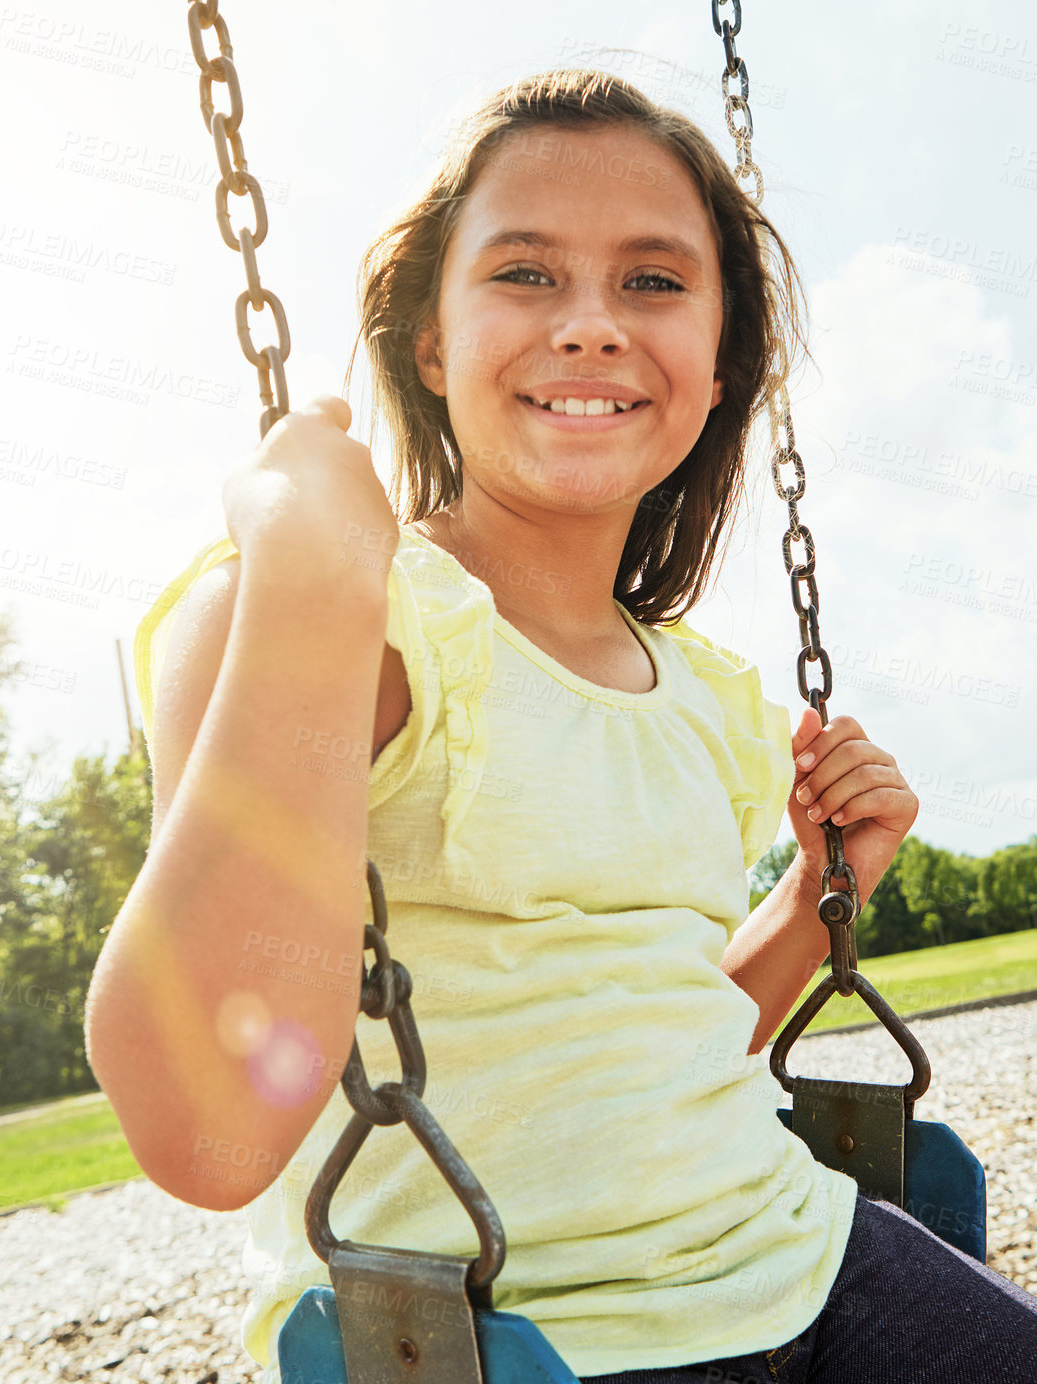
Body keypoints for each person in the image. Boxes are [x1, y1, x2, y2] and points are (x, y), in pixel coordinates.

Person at [83, 69, 1037, 1383]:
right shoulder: (317, 616)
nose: (591, 324)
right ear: (428, 340)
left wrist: (819, 894)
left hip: (810, 1261)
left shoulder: (712, 701)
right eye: (524, 274)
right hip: (523, 1338)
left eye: (654, 281)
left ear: (716, 365)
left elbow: (653, 1033)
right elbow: (211, 1133)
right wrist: (307, 573)